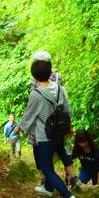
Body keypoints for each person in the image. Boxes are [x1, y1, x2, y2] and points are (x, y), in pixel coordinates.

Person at [15, 58, 77, 198]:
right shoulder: (59, 88)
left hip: (44, 136)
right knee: (49, 163)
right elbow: (68, 111)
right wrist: (69, 127)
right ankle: (48, 189)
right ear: (50, 73)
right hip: (59, 132)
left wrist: (18, 128)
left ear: (34, 76)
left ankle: (67, 195)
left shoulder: (36, 94)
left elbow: (28, 115)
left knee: (46, 167)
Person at [29, 50, 80, 190]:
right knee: (62, 149)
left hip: (43, 125)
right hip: (59, 122)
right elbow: (63, 102)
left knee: (41, 153)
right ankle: (72, 177)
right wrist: (69, 124)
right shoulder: (58, 76)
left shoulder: (36, 80)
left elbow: (35, 105)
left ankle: (45, 181)